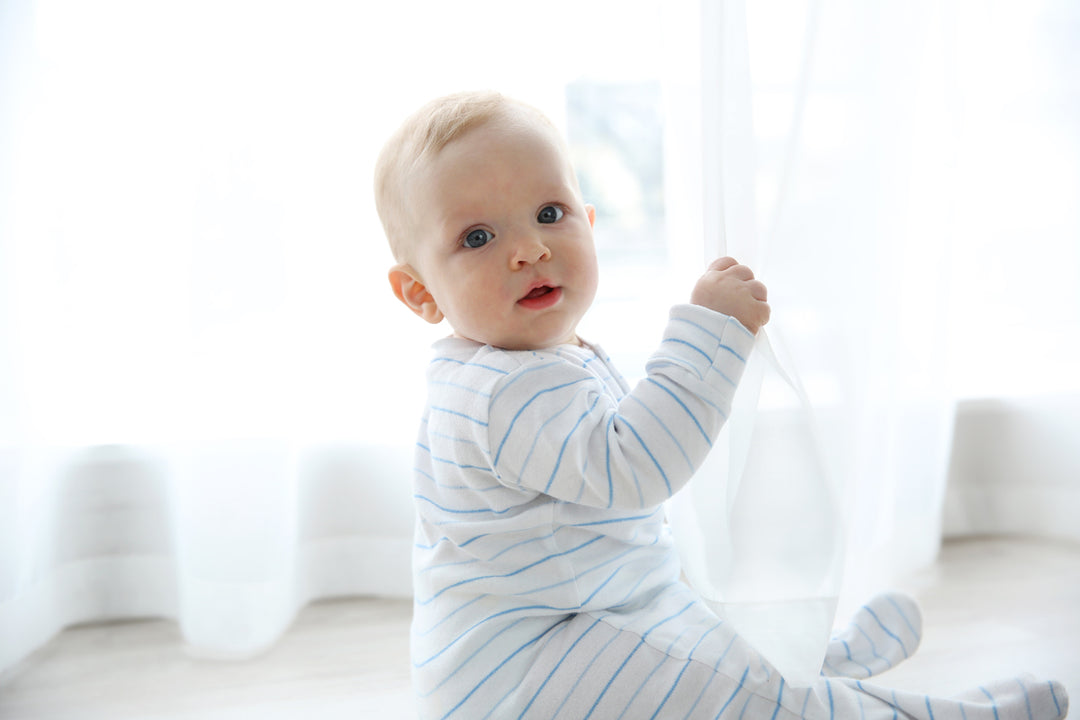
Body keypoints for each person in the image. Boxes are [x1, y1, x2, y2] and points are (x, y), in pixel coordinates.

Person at [374, 90, 1068, 720]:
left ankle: (807, 670)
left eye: (549, 214)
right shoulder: (503, 392)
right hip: (533, 675)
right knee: (738, 693)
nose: (528, 248)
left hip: (569, 631)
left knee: (703, 635)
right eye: (477, 238)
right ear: (420, 293)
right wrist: (711, 333)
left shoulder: (512, 364)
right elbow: (634, 468)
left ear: (587, 221)